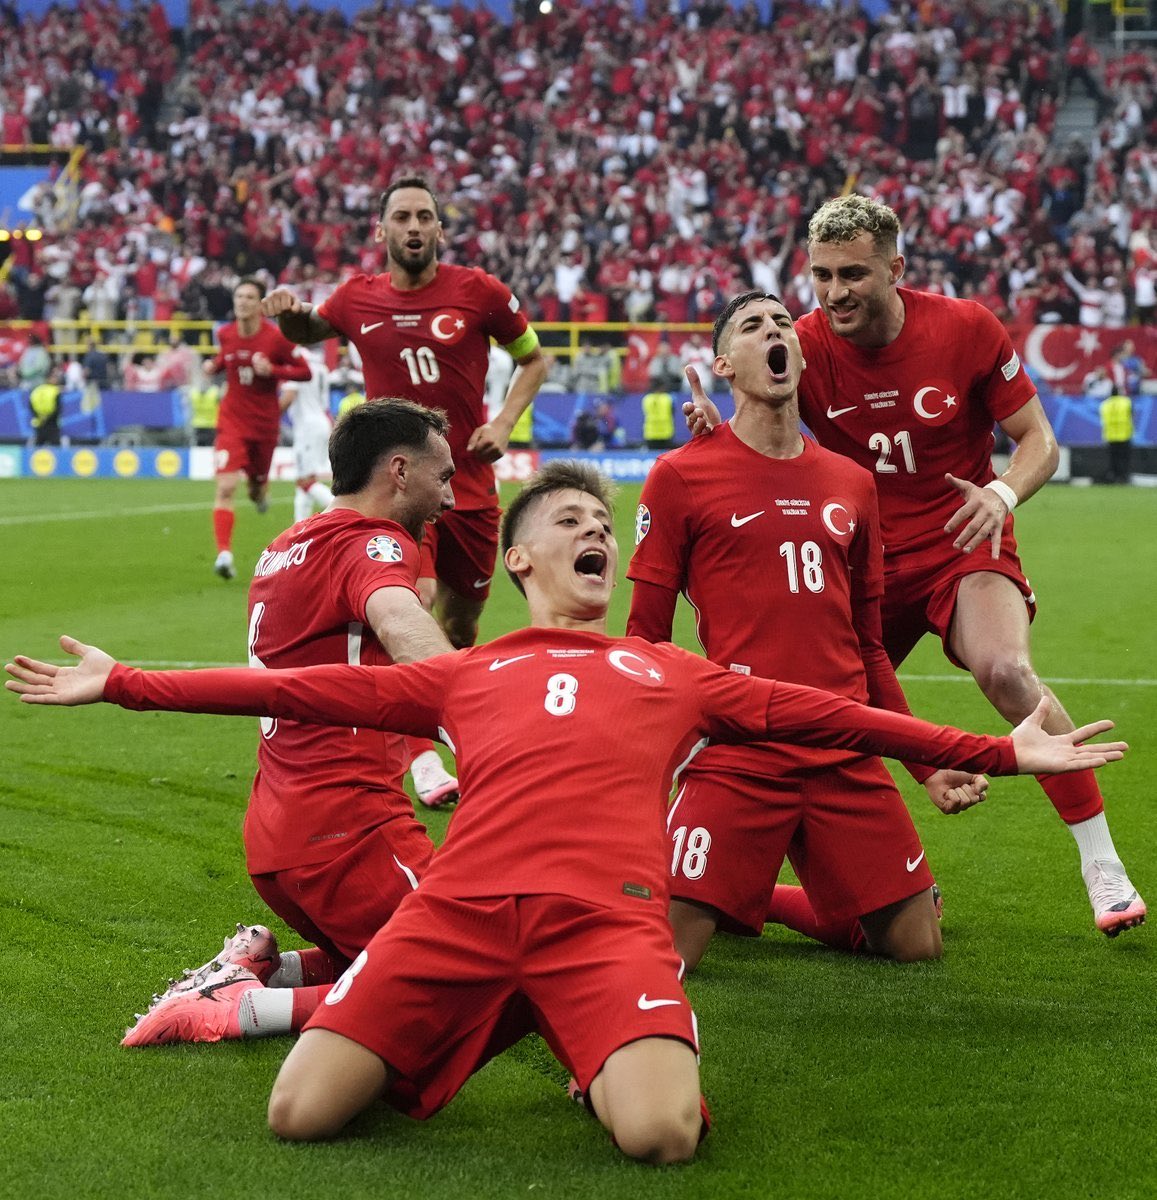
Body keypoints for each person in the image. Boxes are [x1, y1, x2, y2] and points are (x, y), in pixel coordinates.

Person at [6, 463, 1126, 1163]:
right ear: (522, 557)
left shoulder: (669, 671)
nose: (602, 532)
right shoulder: (464, 673)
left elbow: (832, 717)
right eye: (577, 520)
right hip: (454, 916)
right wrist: (126, 681)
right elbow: (291, 686)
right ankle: (521, 1016)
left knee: (662, 1134)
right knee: (298, 1115)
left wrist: (996, 749)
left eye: (608, 520)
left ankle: (580, 1029)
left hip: (605, 923)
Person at [686, 194, 1145, 936]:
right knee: (788, 719)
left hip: (962, 537)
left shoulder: (963, 328)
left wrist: (1000, 493)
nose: (835, 293)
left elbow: (1038, 440)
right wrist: (714, 429)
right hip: (857, 554)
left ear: (895, 268)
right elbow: (758, 416)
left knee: (1005, 672)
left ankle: (1099, 861)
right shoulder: (800, 343)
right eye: (821, 275)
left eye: (854, 275)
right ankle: (715, 872)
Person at [630, 291, 985, 967]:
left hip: (841, 741)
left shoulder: (852, 483)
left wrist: (924, 768)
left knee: (916, 945)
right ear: (724, 365)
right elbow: (643, 641)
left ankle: (753, 894)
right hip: (740, 746)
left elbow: (869, 644)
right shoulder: (679, 476)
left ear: (797, 355)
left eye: (781, 325)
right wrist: (649, 763)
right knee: (665, 951)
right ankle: (721, 885)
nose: (773, 332)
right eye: (751, 326)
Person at [120, 399, 456, 1047]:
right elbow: (397, 616)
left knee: (388, 954)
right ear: (399, 470)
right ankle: (238, 1008)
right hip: (350, 833)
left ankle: (262, 972)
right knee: (463, 978)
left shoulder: (284, 546)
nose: (451, 493)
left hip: (280, 838)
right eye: (443, 475)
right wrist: (484, 702)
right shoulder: (373, 541)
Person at [264, 177, 545, 807]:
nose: (414, 227)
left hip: (468, 486)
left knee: (462, 620)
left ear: (440, 230)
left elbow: (534, 358)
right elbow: (307, 332)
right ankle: (422, 758)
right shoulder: (356, 298)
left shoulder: (481, 293)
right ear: (381, 231)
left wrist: (503, 423)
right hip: (393, 489)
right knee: (404, 600)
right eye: (402, 217)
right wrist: (285, 316)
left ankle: (445, 715)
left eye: (425, 217)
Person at [206, 277, 311, 581]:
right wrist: (213, 366)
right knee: (226, 487)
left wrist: (274, 370)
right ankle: (224, 554)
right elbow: (227, 358)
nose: (242, 302)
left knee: (254, 490)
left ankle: (260, 492)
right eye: (239, 296)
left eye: (250, 297)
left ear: (261, 304)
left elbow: (305, 371)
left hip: (264, 424)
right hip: (231, 421)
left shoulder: (276, 338)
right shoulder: (225, 334)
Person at [280, 346, 336, 523]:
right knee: (305, 479)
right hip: (320, 421)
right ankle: (299, 528)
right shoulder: (319, 363)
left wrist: (269, 417)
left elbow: (289, 395)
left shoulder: (296, 361)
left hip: (307, 426)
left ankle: (342, 513)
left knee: (305, 482)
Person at [1099, 390, 1134, 484]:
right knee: (1124, 458)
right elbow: (1131, 415)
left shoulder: (1105, 404)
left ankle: (1114, 477)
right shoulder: (1126, 402)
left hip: (1111, 436)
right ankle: (1124, 478)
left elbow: (1103, 420)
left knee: (1113, 459)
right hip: (1124, 435)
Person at [28, 367, 62, 446]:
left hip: (39, 423)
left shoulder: (36, 390)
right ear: (49, 378)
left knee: (37, 449)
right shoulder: (55, 391)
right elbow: (58, 408)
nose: (56, 379)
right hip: (52, 424)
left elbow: (31, 406)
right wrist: (47, 418)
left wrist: (40, 416)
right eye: (55, 377)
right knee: (57, 451)